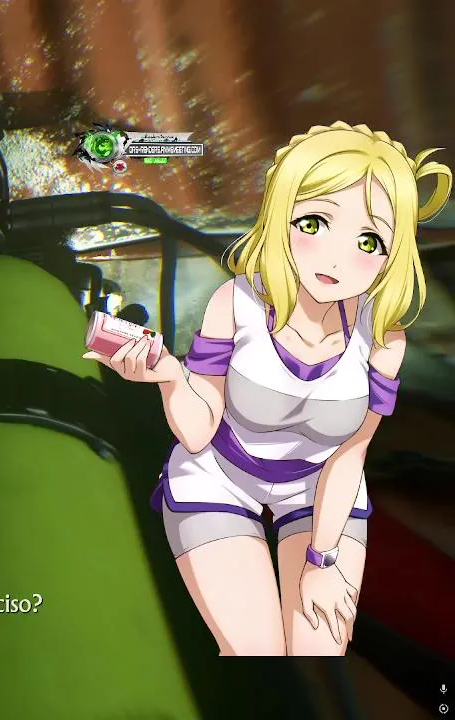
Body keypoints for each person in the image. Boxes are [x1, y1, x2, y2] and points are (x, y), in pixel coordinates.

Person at [85, 122, 451, 656]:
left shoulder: (384, 339)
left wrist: (322, 561)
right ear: (281, 217)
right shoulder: (235, 303)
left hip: (319, 491)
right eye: (314, 223)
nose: (336, 258)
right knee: (256, 649)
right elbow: (198, 432)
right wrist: (170, 378)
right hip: (218, 477)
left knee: (319, 647)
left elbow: (350, 456)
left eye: (369, 241)